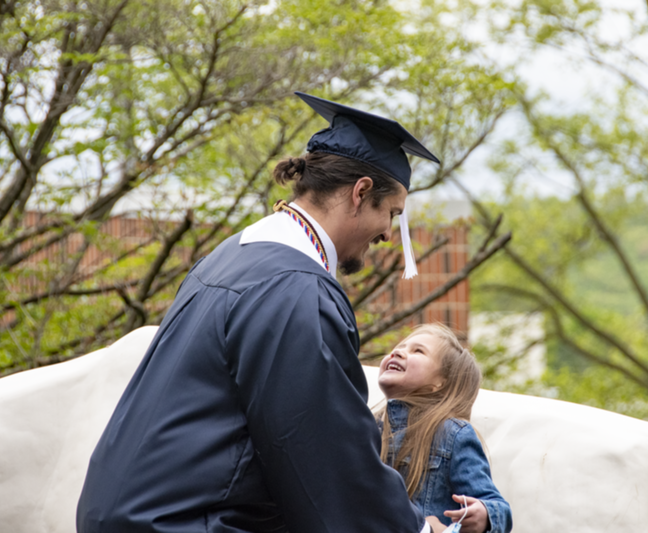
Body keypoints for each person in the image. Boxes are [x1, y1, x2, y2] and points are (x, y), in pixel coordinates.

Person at [76, 92, 449, 533]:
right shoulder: (296, 288)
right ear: (360, 191)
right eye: (391, 213)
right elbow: (323, 452)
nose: (388, 232)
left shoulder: (232, 255)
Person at [375, 324, 513, 533]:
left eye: (418, 351)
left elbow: (497, 506)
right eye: (399, 346)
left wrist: (484, 515)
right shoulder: (366, 424)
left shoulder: (451, 435)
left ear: (440, 382)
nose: (397, 352)